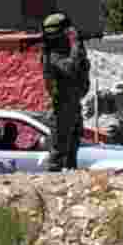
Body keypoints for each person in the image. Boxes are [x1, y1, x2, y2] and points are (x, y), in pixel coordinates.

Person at [40, 12, 91, 171]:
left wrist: (79, 46)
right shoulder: (51, 55)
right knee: (58, 153)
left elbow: (80, 67)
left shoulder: (64, 52)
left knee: (72, 149)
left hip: (72, 105)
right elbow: (71, 68)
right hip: (60, 109)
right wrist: (76, 43)